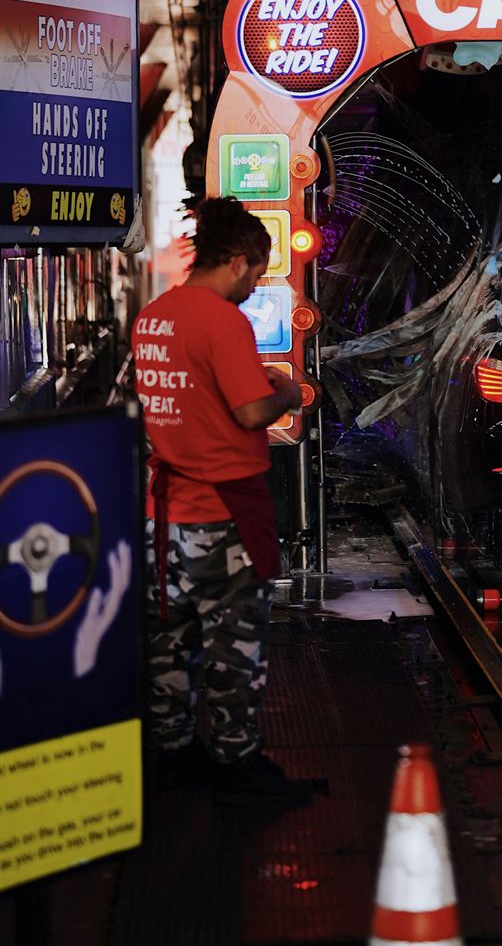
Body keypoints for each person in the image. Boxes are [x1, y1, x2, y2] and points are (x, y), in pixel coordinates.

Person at [132, 196, 306, 800]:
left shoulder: (154, 315)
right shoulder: (221, 320)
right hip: (221, 515)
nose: (257, 284)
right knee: (234, 649)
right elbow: (249, 409)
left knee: (169, 642)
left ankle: (171, 758)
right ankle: (235, 767)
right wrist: (288, 394)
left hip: (162, 516)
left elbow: (195, 391)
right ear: (236, 261)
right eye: (257, 272)